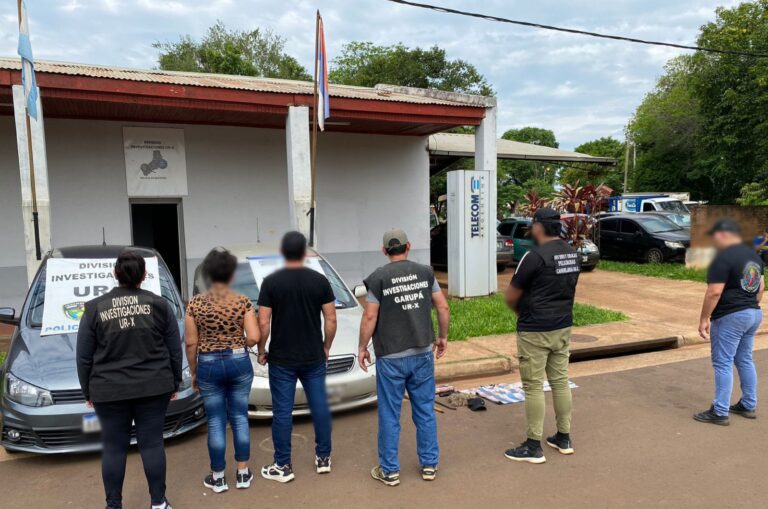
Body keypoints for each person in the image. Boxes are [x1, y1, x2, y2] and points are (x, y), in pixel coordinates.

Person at [76, 251, 182, 509]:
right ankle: (158, 503)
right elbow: (174, 350)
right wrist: (174, 382)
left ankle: (114, 505)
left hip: (108, 390)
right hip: (154, 386)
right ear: (144, 276)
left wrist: (87, 391)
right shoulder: (159, 305)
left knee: (113, 448)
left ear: (115, 274)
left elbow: (83, 357)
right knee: (152, 445)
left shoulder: (94, 308)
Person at [358, 228, 450, 486]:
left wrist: (362, 346)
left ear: (384, 250)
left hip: (391, 356)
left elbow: (370, 316)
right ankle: (430, 465)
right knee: (424, 411)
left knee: (389, 414)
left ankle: (390, 471)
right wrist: (442, 337)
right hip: (422, 353)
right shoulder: (425, 272)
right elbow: (442, 306)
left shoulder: (378, 278)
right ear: (408, 246)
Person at [257, 231, 337, 482]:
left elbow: (263, 321)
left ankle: (283, 465)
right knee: (320, 406)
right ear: (304, 253)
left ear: (282, 253)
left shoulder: (271, 282)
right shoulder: (319, 280)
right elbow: (331, 319)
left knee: (282, 412)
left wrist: (262, 349)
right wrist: (326, 346)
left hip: (281, 359)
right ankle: (323, 458)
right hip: (313, 356)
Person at [503, 207, 580, 464]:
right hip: (563, 325)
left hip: (535, 329)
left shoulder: (533, 257)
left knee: (534, 385)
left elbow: (512, 295)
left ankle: (533, 445)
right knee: (560, 381)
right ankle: (563, 437)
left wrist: (521, 314)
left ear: (538, 227)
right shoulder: (572, 254)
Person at [185, 248, 260, 493]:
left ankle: (218, 477)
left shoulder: (194, 304)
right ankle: (242, 473)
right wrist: (238, 342)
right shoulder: (242, 301)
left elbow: (191, 343)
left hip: (207, 364)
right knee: (239, 417)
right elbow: (254, 337)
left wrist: (195, 372)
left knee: (216, 421)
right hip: (238, 362)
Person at [694, 219, 764, 425]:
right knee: (744, 359)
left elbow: (714, 292)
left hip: (730, 316)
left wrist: (704, 319)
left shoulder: (722, 258)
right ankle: (748, 404)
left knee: (722, 362)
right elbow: (760, 289)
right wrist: (748, 305)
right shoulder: (753, 256)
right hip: (752, 313)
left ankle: (720, 411)